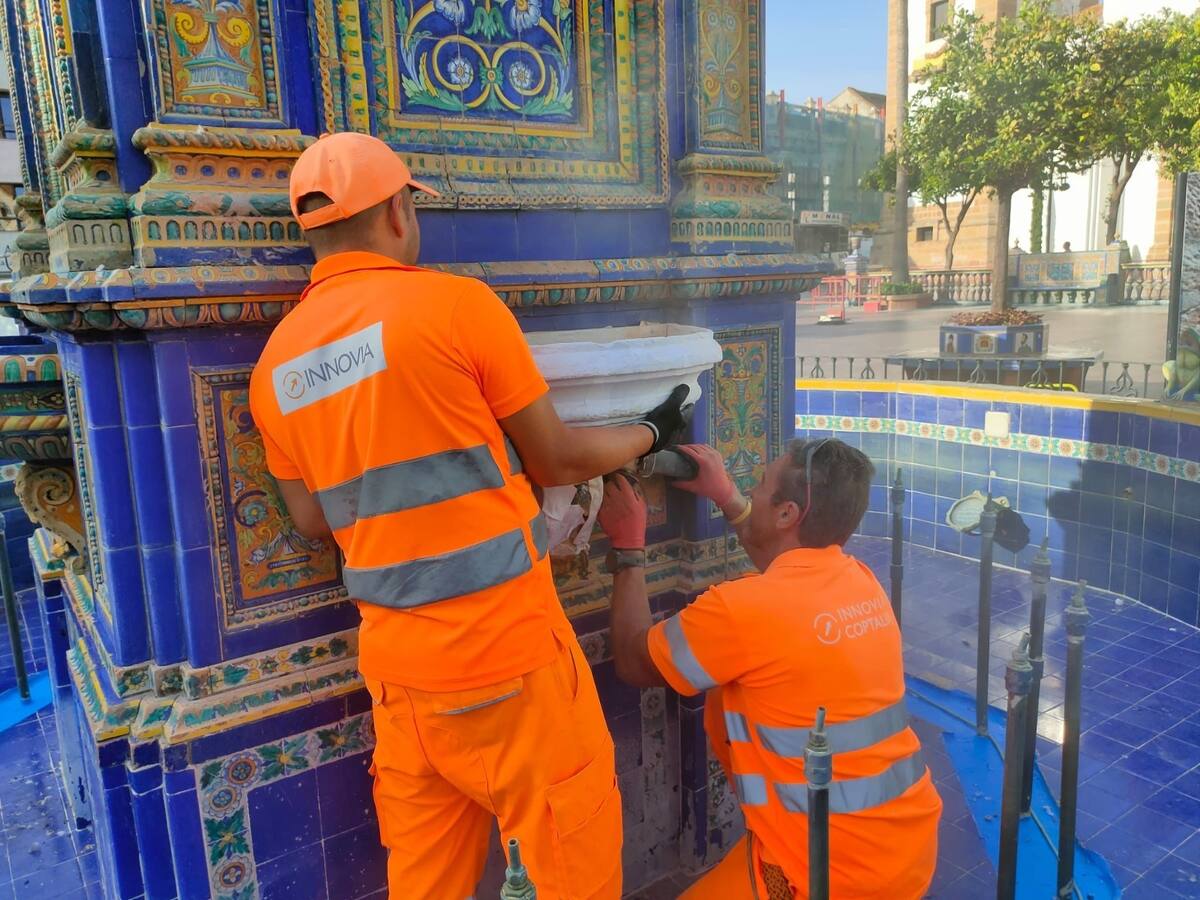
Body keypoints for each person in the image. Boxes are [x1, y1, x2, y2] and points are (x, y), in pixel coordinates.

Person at [249, 132, 691, 900]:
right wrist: (652, 431)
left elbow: (313, 519)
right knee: (571, 870)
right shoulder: (455, 307)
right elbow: (557, 459)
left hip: (402, 685)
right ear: (398, 211)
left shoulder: (275, 368)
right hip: (509, 665)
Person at [596, 439, 942, 899]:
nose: (753, 492)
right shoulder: (860, 580)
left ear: (786, 513)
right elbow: (782, 569)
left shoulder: (741, 612)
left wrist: (628, 547)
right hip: (908, 849)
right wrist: (726, 495)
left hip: (825, 878)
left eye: (759, 484)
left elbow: (635, 660)